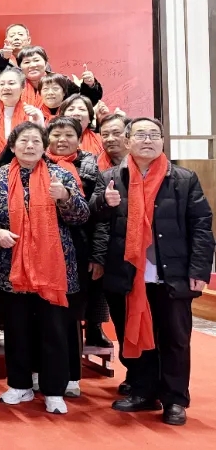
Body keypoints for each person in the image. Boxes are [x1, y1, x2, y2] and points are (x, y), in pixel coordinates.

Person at [90, 117, 214, 425]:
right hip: (127, 275)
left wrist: (199, 269)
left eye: (154, 135)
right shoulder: (110, 177)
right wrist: (104, 203)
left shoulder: (184, 178)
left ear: (162, 141)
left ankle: (174, 399)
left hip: (171, 274)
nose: (148, 140)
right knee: (132, 334)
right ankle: (143, 391)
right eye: (141, 134)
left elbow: (201, 226)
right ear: (128, 141)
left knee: (174, 339)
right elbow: (93, 219)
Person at [0, 121, 89, 414]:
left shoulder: (61, 174)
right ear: (12, 146)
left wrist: (65, 198)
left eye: (35, 141)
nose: (30, 146)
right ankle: (19, 385)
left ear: (45, 147)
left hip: (53, 267)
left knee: (54, 329)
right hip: (12, 266)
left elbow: (82, 216)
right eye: (23, 141)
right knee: (16, 329)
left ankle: (54, 390)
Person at [45, 116, 105, 397]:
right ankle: (43, 371)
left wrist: (97, 255)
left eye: (69, 135)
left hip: (78, 249)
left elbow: (99, 217)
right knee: (44, 315)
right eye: (56, 135)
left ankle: (71, 375)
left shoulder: (90, 168)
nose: (62, 140)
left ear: (80, 139)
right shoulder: (37, 167)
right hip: (45, 250)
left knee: (70, 315)